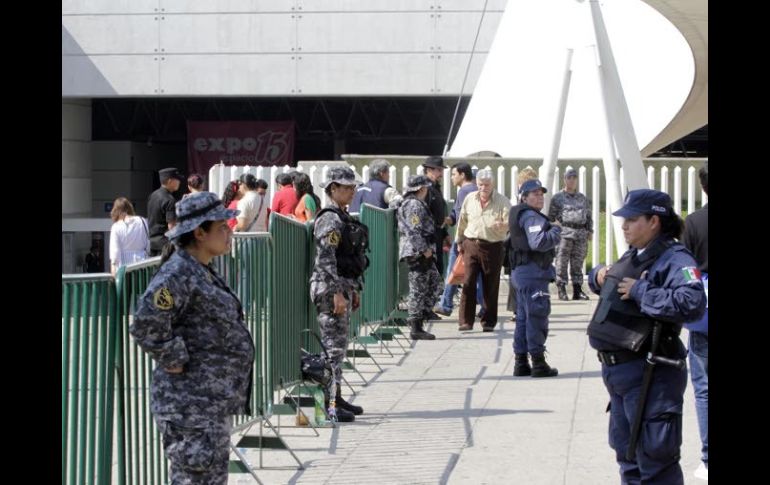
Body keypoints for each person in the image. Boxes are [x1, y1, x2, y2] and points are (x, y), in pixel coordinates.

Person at [129, 191, 254, 485]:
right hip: (190, 407)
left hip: (207, 405)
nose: (229, 231)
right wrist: (175, 358)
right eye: (221, 227)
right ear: (199, 233)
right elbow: (146, 323)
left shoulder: (200, 270)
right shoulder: (178, 273)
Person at [586, 189, 706, 484]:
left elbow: (692, 303)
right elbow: (617, 283)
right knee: (628, 458)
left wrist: (642, 292)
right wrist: (598, 275)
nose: (624, 225)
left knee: (656, 463)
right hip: (619, 373)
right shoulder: (637, 252)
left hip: (650, 373)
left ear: (654, 221)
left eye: (632, 219)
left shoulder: (675, 257)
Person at [311, 166, 368, 422]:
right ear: (333, 188)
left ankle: (336, 396)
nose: (352, 191)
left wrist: (352, 290)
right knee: (333, 350)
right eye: (346, 187)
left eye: (353, 187)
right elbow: (326, 257)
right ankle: (328, 405)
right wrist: (336, 292)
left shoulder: (341, 217)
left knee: (339, 348)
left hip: (340, 286)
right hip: (329, 288)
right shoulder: (330, 219)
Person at [508, 179, 561, 377]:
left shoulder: (521, 213)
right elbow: (538, 242)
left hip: (522, 273)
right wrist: (556, 230)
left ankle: (521, 362)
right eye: (534, 194)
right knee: (536, 317)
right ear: (524, 197)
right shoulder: (531, 217)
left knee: (523, 318)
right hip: (532, 274)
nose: (540, 197)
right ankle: (538, 363)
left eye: (541, 193)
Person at [454, 169, 510, 332]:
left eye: (486, 185)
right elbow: (462, 220)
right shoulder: (470, 199)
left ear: (492, 184)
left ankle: (488, 322)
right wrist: (459, 240)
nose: (483, 188)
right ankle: (465, 321)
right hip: (471, 243)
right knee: (468, 282)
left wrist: (503, 226)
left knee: (490, 285)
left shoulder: (502, 201)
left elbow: (510, 223)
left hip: (493, 246)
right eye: (480, 185)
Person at [681, 162, 708, 481]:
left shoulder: (694, 222)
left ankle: (707, 456)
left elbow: (685, 267)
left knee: (703, 387)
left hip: (704, 311)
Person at [434, 162, 485, 318]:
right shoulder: (471, 190)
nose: (451, 178)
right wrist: (448, 220)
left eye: (454, 174)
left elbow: (465, 217)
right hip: (475, 238)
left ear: (463, 175)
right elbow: (457, 216)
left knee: (454, 270)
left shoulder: (465, 191)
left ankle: (446, 304)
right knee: (478, 274)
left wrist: (460, 240)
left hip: (465, 238)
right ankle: (485, 306)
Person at [397, 174, 444, 340]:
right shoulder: (414, 205)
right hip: (418, 252)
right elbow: (414, 230)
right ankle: (416, 326)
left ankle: (420, 317)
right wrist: (425, 250)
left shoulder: (412, 204)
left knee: (435, 284)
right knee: (418, 289)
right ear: (421, 189)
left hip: (419, 251)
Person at [548, 168, 592, 301]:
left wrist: (590, 230)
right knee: (561, 262)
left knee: (578, 262)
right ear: (564, 179)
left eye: (574, 178)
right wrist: (557, 229)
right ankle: (561, 289)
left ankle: (577, 290)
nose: (572, 180)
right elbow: (551, 217)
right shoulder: (558, 198)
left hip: (580, 234)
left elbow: (588, 216)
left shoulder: (582, 198)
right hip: (565, 233)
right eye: (569, 178)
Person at [421, 156, 449, 282]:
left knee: (437, 272)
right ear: (429, 170)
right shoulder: (424, 189)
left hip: (437, 236)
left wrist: (444, 234)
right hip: (428, 239)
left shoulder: (435, 187)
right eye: (439, 170)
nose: (441, 174)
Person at [108, 197, 150, 275]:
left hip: (124, 266)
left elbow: (115, 253)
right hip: (142, 263)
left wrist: (113, 271)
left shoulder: (116, 226)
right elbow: (148, 244)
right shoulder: (142, 221)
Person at [147, 167, 183, 256]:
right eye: (177, 180)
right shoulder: (169, 200)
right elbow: (171, 226)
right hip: (165, 245)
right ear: (170, 181)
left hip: (152, 244)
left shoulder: (153, 195)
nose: (179, 182)